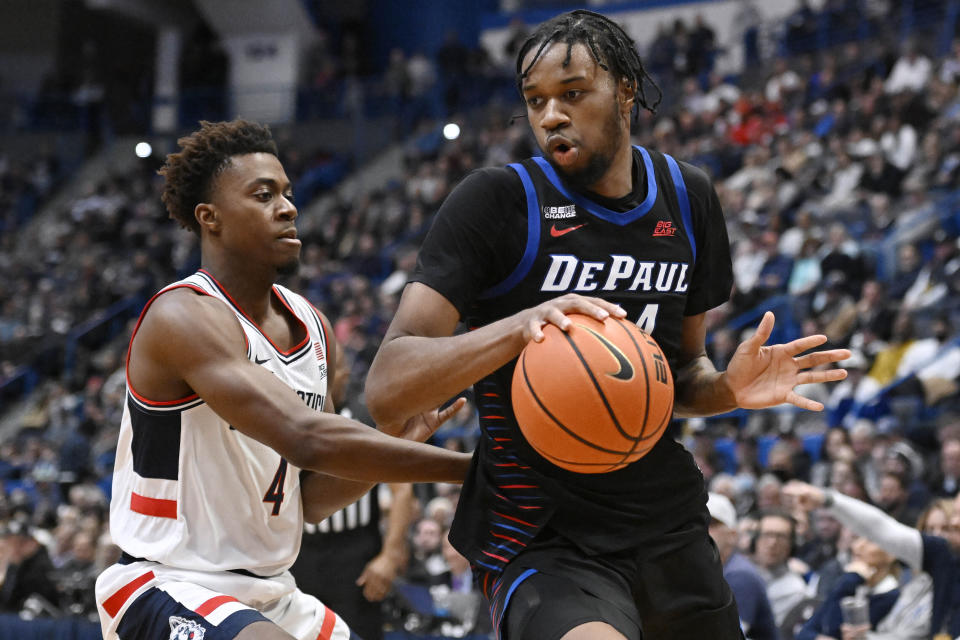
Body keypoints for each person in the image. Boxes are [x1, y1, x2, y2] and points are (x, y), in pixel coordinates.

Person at [365, 10, 850, 640]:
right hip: (541, 533)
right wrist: (520, 328)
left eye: (572, 94)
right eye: (535, 101)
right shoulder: (497, 201)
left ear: (625, 89)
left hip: (665, 524)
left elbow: (680, 376)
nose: (550, 117)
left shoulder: (688, 196)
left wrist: (726, 390)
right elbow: (386, 388)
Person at [93, 119, 472, 640]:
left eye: (288, 193)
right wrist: (475, 471)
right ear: (211, 219)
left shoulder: (314, 328)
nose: (288, 206)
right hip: (166, 583)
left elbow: (306, 499)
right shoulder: (182, 316)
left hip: (273, 591)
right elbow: (307, 438)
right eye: (263, 194)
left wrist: (391, 445)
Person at [785, 480, 959, 638]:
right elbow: (883, 529)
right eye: (955, 514)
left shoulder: (892, 593)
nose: (955, 523)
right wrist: (827, 499)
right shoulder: (944, 557)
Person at [707, 493, 779, 640]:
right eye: (697, 523)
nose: (702, 530)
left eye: (711, 524)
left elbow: (726, 636)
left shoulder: (740, 575)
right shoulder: (712, 572)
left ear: (732, 535)